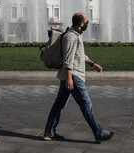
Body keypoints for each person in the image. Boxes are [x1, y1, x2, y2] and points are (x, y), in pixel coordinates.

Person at [43, 12, 115, 143]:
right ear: (81, 23)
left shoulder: (75, 35)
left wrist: (92, 64)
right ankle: (98, 132)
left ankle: (49, 132)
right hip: (74, 76)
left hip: (71, 75)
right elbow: (68, 59)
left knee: (59, 104)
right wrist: (69, 78)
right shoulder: (71, 36)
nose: (87, 23)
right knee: (86, 104)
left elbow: (80, 55)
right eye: (86, 21)